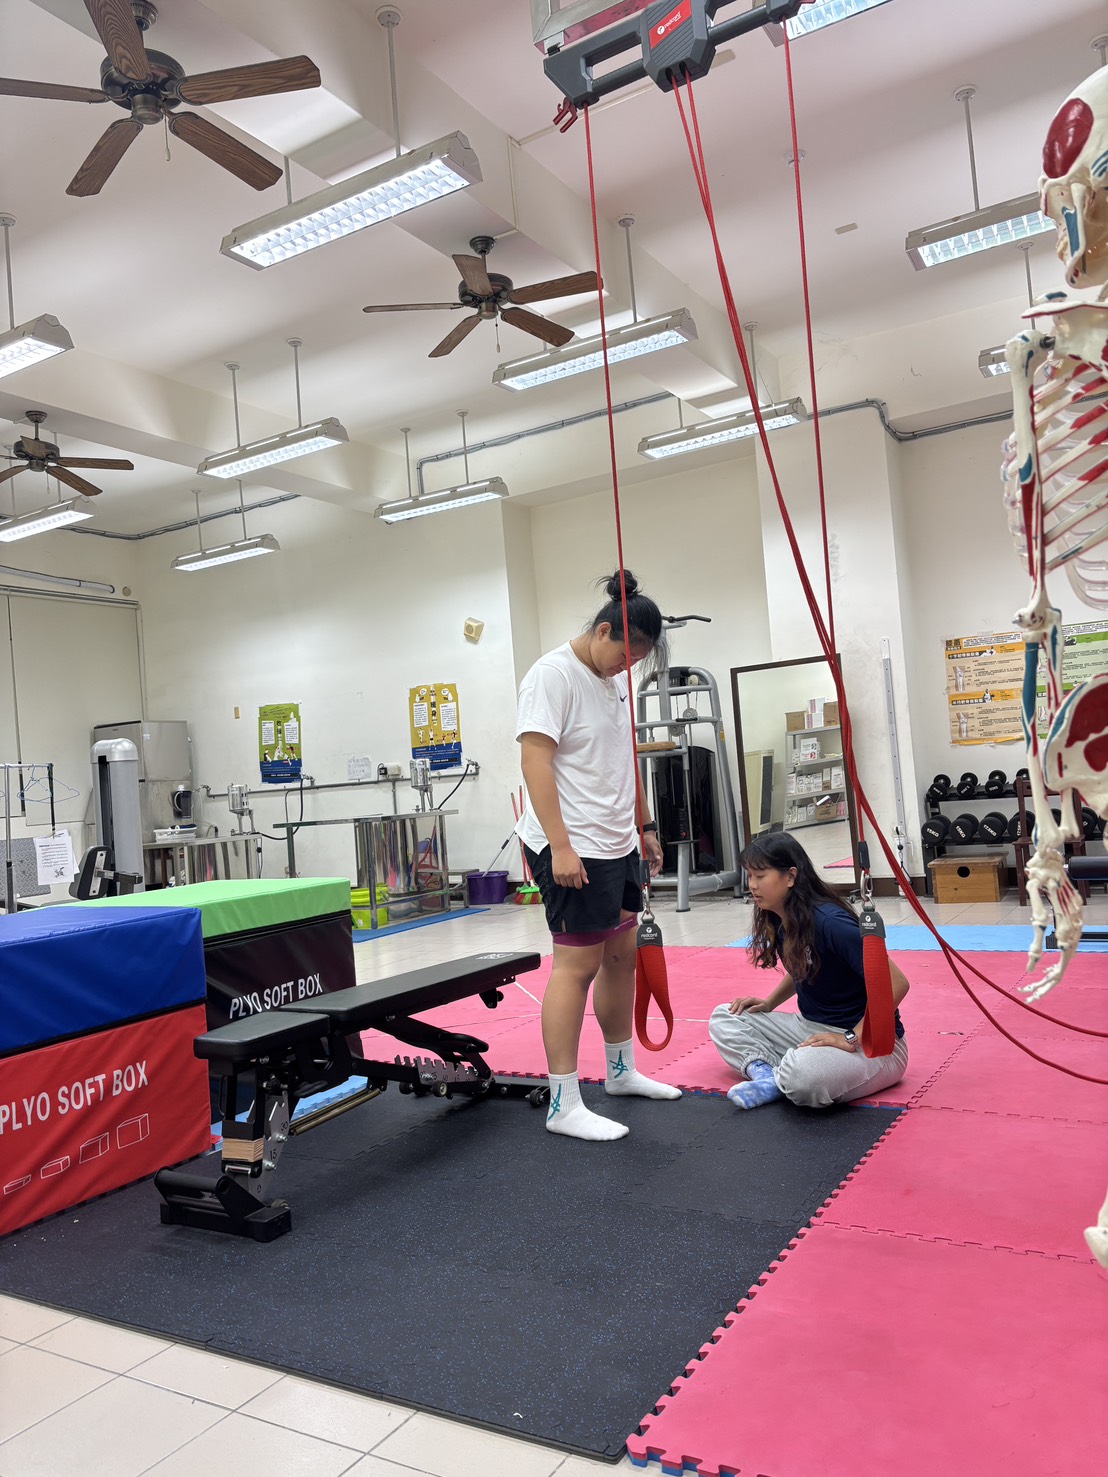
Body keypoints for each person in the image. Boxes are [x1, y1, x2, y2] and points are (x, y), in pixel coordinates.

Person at [515, 570, 682, 1141]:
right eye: (625, 655)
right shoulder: (552, 675)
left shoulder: (612, 684)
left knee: (620, 958)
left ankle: (620, 1071)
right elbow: (535, 762)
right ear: (604, 630)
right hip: (572, 846)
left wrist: (645, 826)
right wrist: (561, 846)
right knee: (577, 966)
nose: (626, 667)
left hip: (616, 842)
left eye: (637, 662)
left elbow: (621, 758)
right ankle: (563, 1102)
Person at [709, 832, 910, 1109]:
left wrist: (851, 1036)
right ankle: (767, 1076)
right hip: (811, 1028)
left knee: (802, 1077)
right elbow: (804, 965)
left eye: (761, 876)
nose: (752, 885)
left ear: (790, 877)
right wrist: (770, 1003)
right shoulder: (782, 916)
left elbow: (897, 983)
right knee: (725, 1016)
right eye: (750, 876)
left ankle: (787, 1073)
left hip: (873, 1044)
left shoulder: (832, 923)